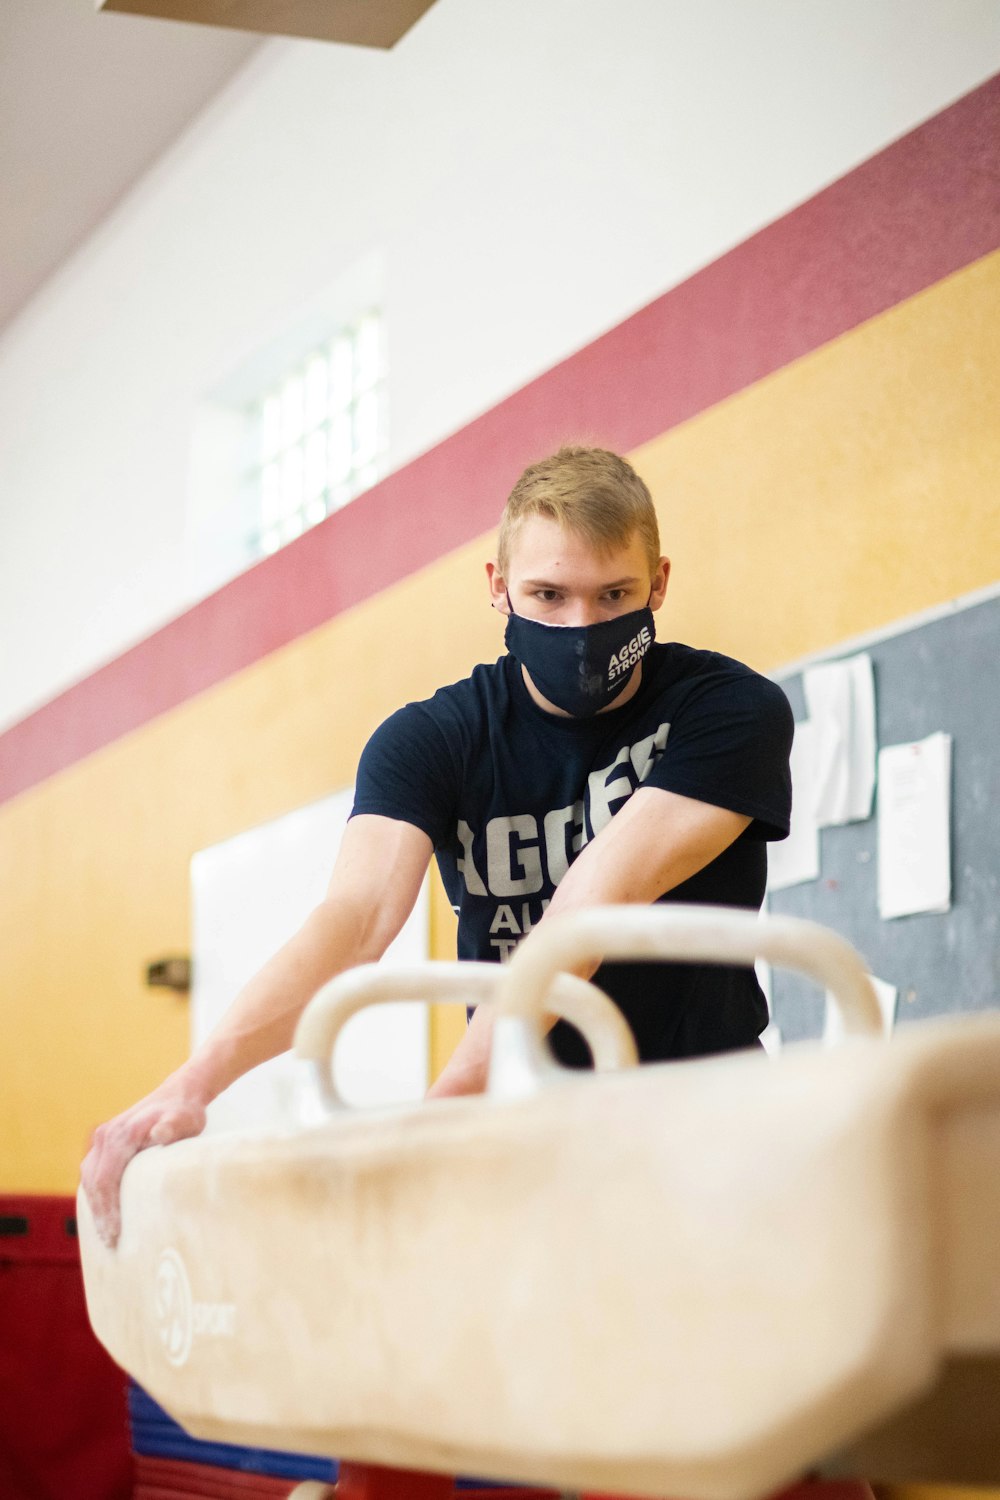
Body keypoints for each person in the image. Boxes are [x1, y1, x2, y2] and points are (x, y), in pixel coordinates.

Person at [81, 446, 793, 1246]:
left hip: (706, 1122)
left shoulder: (731, 711)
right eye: (548, 595)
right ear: (498, 588)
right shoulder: (435, 741)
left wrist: (447, 1102)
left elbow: (594, 905)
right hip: (520, 1134)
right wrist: (194, 1082)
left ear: (659, 583)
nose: (581, 628)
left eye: (614, 595)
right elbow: (353, 923)